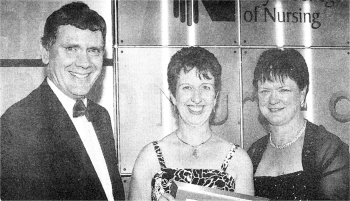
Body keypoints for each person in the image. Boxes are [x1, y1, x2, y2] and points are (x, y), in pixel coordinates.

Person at [0, 2, 125, 200]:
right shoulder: (18, 124)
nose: (84, 63)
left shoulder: (101, 116)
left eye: (94, 50)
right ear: (45, 52)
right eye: (71, 49)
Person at [128, 47, 254, 201]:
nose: (196, 98)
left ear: (216, 97)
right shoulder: (149, 158)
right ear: (173, 96)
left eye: (205, 87)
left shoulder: (238, 160)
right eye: (187, 87)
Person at [247, 48, 349, 200]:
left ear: (302, 94)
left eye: (283, 90)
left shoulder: (329, 150)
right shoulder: (254, 152)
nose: (273, 100)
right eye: (265, 91)